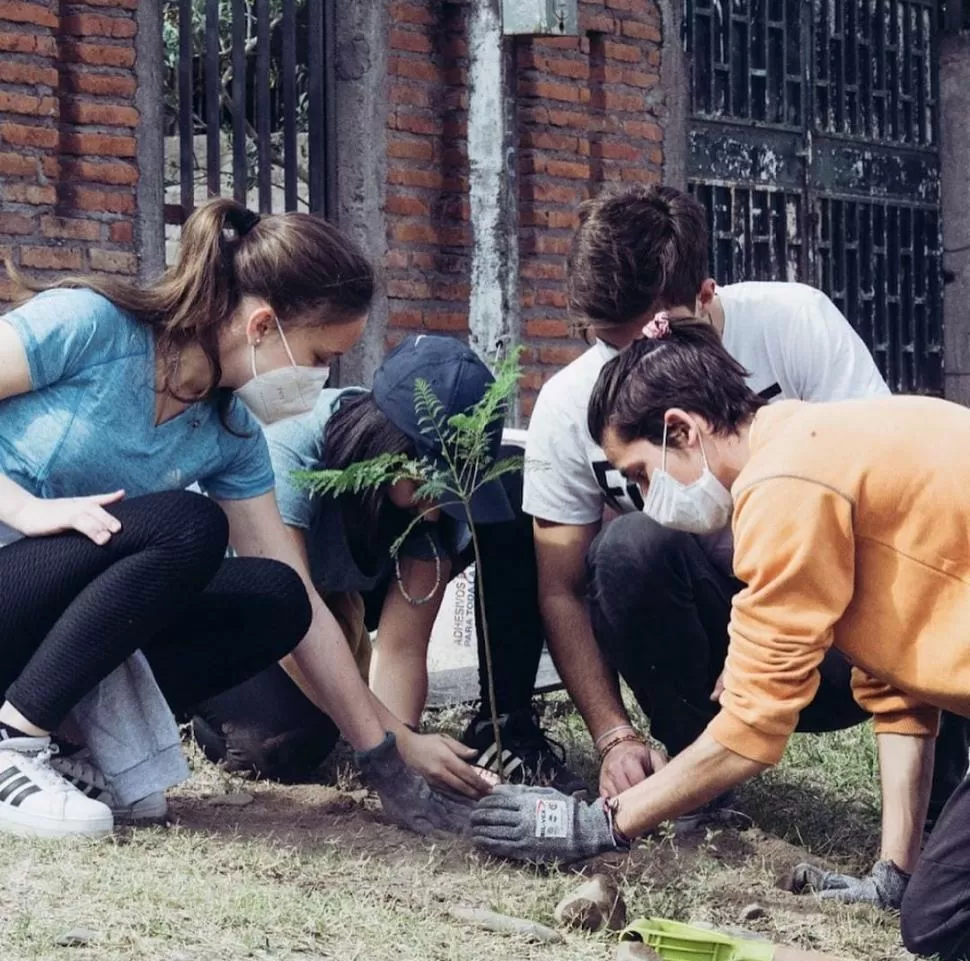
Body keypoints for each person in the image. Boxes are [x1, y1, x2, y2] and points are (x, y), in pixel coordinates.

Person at [472, 320, 970, 961]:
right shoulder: (819, 441)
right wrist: (894, 876)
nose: (645, 498)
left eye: (641, 474)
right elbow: (899, 693)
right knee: (930, 913)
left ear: (681, 429)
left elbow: (751, 730)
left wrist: (603, 823)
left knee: (942, 928)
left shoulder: (785, 483)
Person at [0, 198, 467, 840]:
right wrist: (25, 507)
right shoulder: (92, 325)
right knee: (190, 525)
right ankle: (11, 744)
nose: (320, 378)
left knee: (277, 598)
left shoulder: (229, 432)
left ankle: (69, 748)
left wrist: (386, 754)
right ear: (262, 325)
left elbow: (296, 590)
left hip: (39, 625)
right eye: (317, 355)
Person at [523, 182, 968, 823]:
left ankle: (936, 814)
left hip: (851, 620)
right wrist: (615, 735)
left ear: (706, 296)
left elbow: (896, 504)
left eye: (656, 338)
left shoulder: (796, 330)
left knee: (925, 551)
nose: (636, 366)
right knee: (629, 547)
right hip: (724, 636)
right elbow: (560, 587)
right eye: (614, 347)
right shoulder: (571, 406)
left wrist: (603, 827)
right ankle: (698, 779)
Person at [191, 334, 583, 794]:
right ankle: (189, 701)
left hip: (331, 601)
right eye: (432, 484)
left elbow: (403, 646)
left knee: (515, 481)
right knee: (276, 743)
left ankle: (506, 727)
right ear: (392, 446)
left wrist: (402, 752)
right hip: (238, 611)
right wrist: (384, 741)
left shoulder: (431, 507)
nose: (437, 508)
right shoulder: (288, 451)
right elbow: (289, 619)